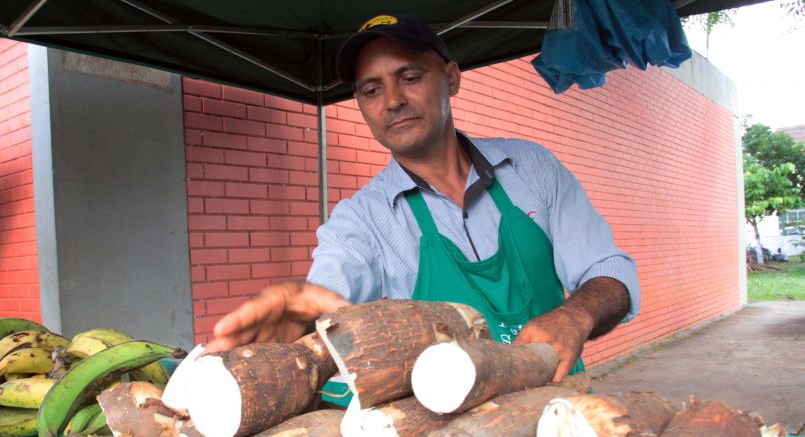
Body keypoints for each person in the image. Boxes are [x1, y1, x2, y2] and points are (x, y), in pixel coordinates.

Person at [206, 13, 639, 382]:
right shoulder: (362, 220)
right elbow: (327, 290)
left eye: (409, 78)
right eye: (372, 89)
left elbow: (609, 272)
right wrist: (303, 312)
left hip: (566, 420)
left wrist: (574, 316)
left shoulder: (533, 167)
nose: (393, 101)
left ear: (451, 78)